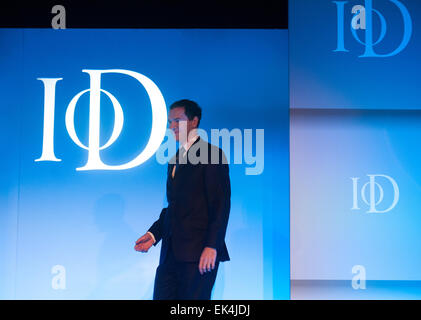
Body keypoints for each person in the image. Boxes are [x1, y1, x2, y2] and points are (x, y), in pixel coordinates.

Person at [134, 99, 231, 300]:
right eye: (170, 122)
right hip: (170, 254)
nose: (172, 127)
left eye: (178, 120)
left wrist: (212, 246)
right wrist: (153, 235)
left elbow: (220, 205)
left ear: (194, 121)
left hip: (198, 254)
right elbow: (173, 208)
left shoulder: (211, 154)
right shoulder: (175, 159)